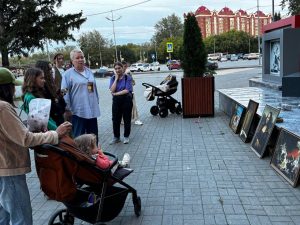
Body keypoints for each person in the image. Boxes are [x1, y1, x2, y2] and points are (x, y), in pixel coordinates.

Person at [0, 67, 72, 225]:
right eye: (12, 86)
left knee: (4, 216)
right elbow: (25, 139)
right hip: (9, 170)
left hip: (3, 170)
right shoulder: (3, 107)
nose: (14, 90)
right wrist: (56, 134)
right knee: (21, 218)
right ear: (6, 88)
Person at [61, 49, 100, 141]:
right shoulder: (67, 75)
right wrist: (67, 108)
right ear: (72, 61)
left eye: (82, 57)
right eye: (77, 58)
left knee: (94, 138)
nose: (80, 59)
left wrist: (96, 100)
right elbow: (64, 92)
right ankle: (80, 155)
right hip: (78, 112)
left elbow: (92, 88)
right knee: (79, 138)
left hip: (92, 110)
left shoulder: (89, 72)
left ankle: (94, 155)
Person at [35, 60, 66, 126]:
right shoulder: (41, 89)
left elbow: (57, 97)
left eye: (51, 68)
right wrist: (58, 98)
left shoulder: (50, 83)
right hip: (53, 125)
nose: (52, 71)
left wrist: (62, 93)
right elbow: (52, 106)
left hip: (59, 120)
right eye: (49, 69)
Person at [109, 62, 133, 144]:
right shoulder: (112, 78)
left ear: (123, 68)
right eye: (116, 69)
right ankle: (116, 137)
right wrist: (116, 79)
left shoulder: (127, 77)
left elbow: (127, 90)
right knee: (115, 119)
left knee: (127, 119)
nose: (118, 70)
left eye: (119, 68)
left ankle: (126, 136)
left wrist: (116, 94)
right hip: (116, 101)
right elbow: (111, 90)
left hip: (126, 100)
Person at [122, 61, 143, 125]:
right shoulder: (119, 74)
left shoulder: (128, 73)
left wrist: (130, 83)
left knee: (133, 106)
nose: (125, 68)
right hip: (122, 94)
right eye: (124, 66)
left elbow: (133, 82)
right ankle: (123, 120)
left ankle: (135, 119)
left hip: (130, 93)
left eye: (126, 66)